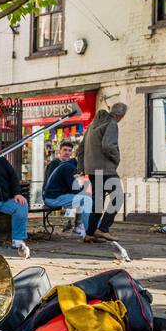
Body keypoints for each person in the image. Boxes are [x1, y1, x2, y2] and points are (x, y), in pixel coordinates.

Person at [80, 102, 126, 243]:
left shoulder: (93, 125)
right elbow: (108, 146)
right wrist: (116, 159)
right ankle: (103, 229)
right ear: (121, 115)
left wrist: (81, 168)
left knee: (98, 202)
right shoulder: (111, 124)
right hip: (105, 169)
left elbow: (81, 148)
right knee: (118, 197)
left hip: (92, 169)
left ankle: (89, 234)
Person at [41, 140, 93, 237]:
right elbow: (51, 183)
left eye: (69, 150)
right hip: (52, 196)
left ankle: (79, 227)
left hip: (60, 195)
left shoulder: (70, 165)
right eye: (65, 150)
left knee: (84, 198)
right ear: (59, 151)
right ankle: (89, 231)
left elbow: (71, 184)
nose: (67, 153)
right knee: (85, 199)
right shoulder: (54, 164)